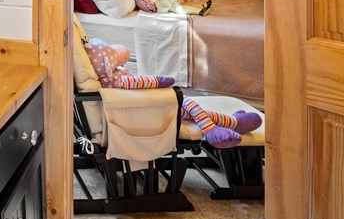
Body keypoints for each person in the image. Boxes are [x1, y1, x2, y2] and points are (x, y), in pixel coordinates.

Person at [84, 38, 260, 148]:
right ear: (107, 63)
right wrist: (162, 81)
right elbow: (143, 81)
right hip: (154, 107)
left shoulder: (107, 78)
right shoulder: (117, 81)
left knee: (192, 112)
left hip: (149, 104)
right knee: (188, 103)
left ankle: (234, 122)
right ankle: (212, 130)